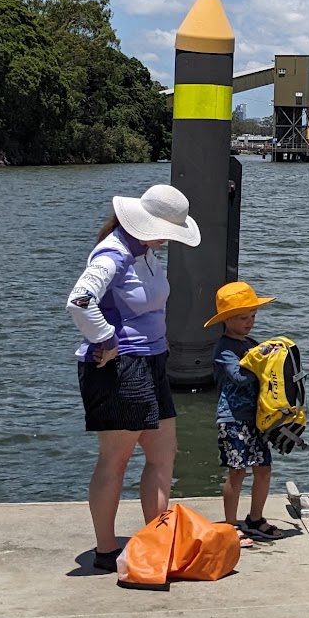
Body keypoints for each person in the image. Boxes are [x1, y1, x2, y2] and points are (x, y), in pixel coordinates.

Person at [66, 183, 200, 571]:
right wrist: (106, 339)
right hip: (121, 366)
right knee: (116, 460)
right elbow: (79, 301)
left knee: (163, 454)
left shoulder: (144, 251)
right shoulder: (114, 252)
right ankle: (106, 549)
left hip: (152, 360)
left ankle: (156, 539)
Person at [206, 279, 280, 540]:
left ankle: (256, 518)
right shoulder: (224, 349)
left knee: (264, 469)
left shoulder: (251, 342)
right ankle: (229, 526)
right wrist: (261, 360)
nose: (249, 322)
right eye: (241, 318)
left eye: (252, 316)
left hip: (257, 418)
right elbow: (239, 377)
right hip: (233, 418)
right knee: (237, 471)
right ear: (226, 320)